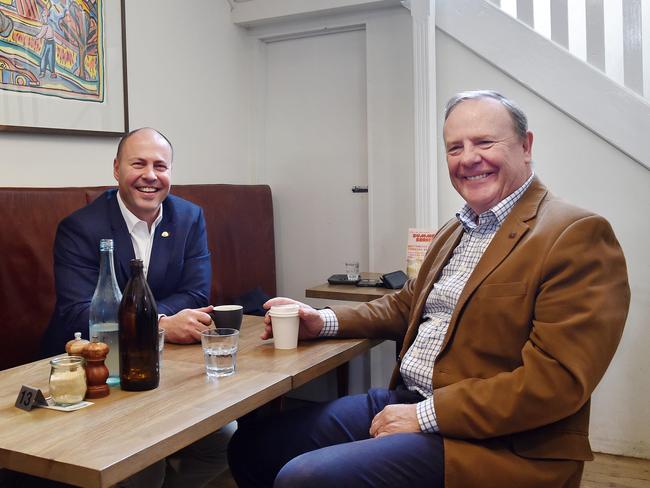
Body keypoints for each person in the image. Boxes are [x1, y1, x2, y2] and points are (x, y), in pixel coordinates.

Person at [227, 91, 631, 488]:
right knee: (253, 446)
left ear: (526, 146)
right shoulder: (455, 229)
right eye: (455, 147)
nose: (468, 158)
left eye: (485, 142)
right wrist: (322, 321)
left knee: (305, 478)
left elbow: (556, 384)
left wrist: (426, 416)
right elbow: (406, 305)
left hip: (499, 442)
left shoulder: (575, 234)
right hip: (411, 399)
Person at [41, 127, 233, 488]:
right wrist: (158, 322)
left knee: (225, 436)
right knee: (144, 458)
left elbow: (196, 293)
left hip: (164, 369)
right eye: (138, 164)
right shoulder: (81, 229)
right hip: (91, 374)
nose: (150, 175)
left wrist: (148, 321)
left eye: (160, 165)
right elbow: (77, 312)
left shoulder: (189, 218)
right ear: (116, 170)